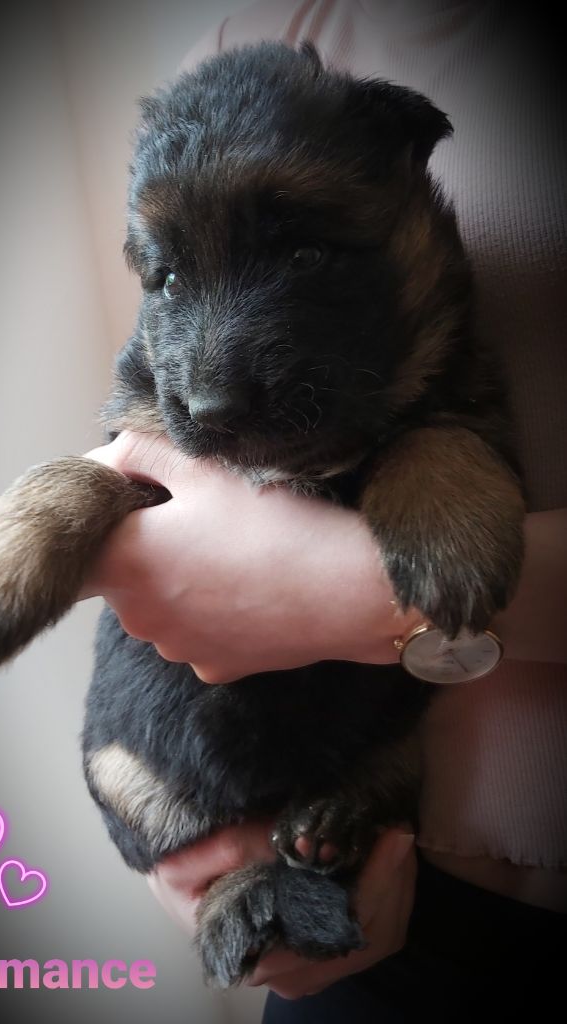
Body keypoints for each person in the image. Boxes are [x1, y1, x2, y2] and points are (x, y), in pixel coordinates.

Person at [82, 1, 567, 1018]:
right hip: (352, 922)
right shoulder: (250, 44)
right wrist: (196, 864)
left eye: (300, 253)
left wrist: (347, 594)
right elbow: (163, 406)